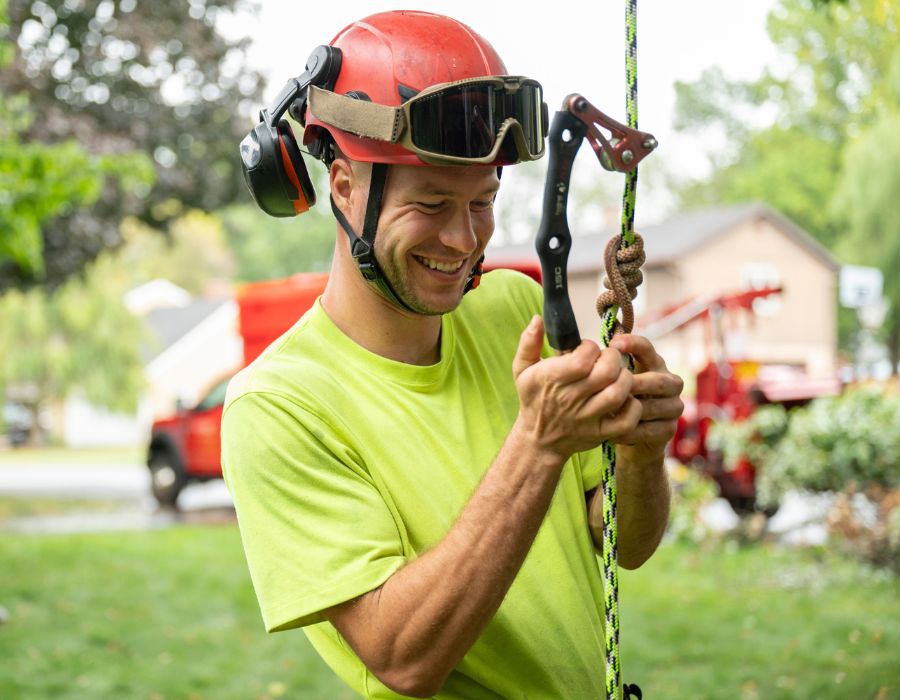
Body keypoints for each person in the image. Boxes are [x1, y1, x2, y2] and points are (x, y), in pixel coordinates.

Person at [222, 10, 684, 699]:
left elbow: (621, 542)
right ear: (344, 187)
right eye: (433, 202)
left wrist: (642, 454)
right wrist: (538, 443)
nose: (464, 237)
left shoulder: (512, 311)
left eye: (484, 201)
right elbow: (403, 658)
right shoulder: (279, 406)